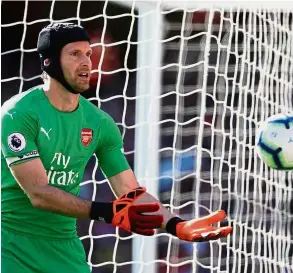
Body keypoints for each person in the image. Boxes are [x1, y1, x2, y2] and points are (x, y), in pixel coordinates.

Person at [1, 23, 232, 273]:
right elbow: (38, 193)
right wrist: (107, 212)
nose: (86, 62)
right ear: (49, 62)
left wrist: (175, 225)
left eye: (88, 54)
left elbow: (130, 191)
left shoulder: (100, 123)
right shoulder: (18, 114)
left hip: (63, 247)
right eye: (75, 54)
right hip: (11, 244)